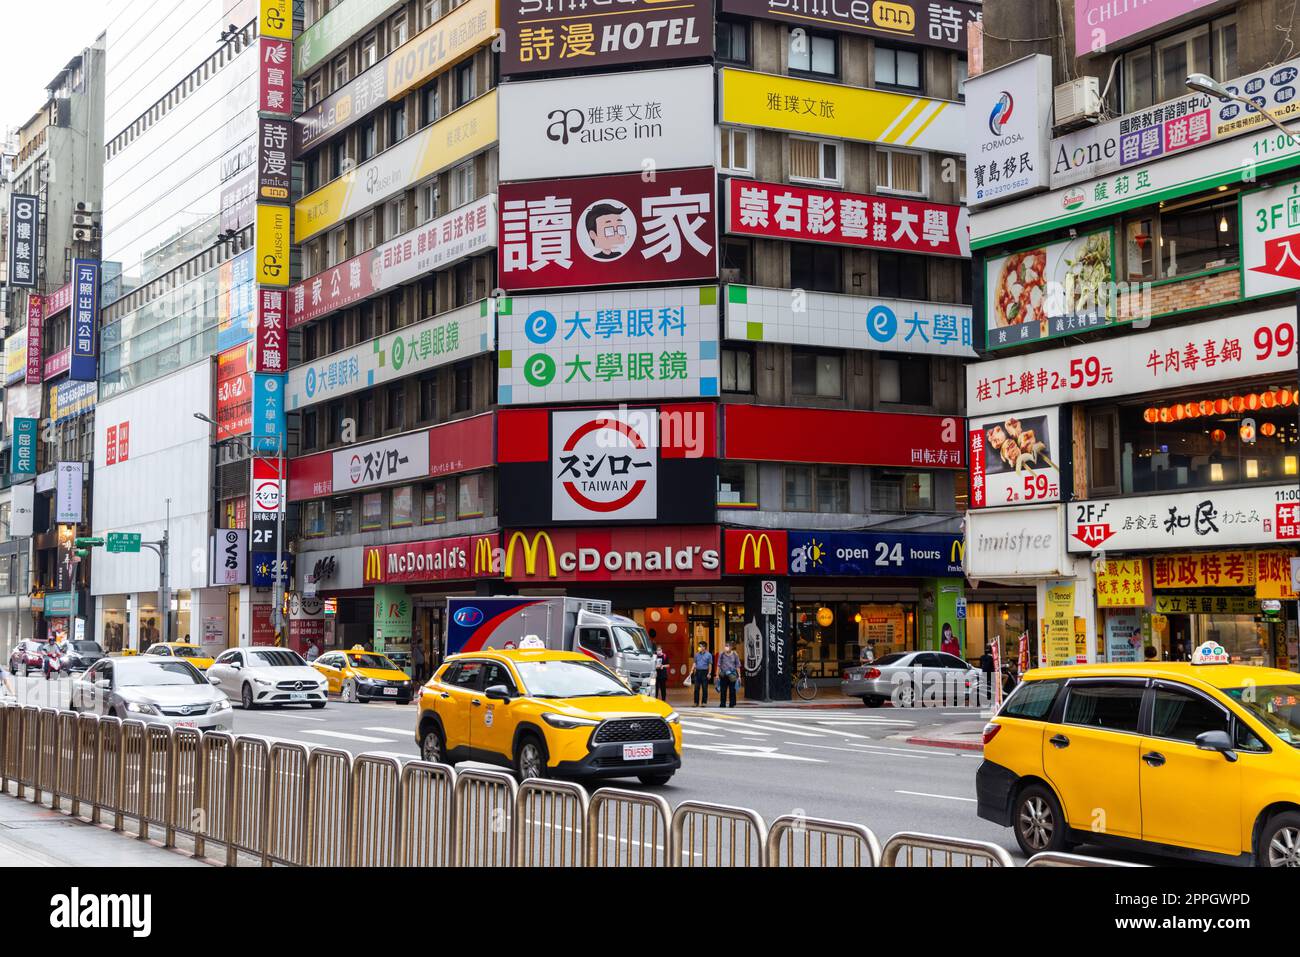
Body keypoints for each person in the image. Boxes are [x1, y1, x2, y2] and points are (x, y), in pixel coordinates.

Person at [715, 642, 740, 708]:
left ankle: (732, 703)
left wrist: (739, 675)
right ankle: (722, 703)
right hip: (723, 674)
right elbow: (718, 665)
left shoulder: (735, 654)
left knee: (732, 690)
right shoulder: (722, 654)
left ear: (731, 647)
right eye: (725, 646)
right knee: (723, 690)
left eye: (728, 646)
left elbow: (737, 665)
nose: (726, 647)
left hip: (732, 674)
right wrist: (717, 675)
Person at [691, 642, 713, 707]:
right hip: (697, 672)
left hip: (705, 672)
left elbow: (710, 664)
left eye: (700, 646)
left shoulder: (709, 655)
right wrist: (692, 670)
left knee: (704, 688)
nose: (699, 648)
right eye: (699, 646)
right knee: (696, 688)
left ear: (704, 647)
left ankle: (704, 702)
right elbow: (694, 663)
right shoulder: (696, 654)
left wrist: (709, 673)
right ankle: (696, 702)